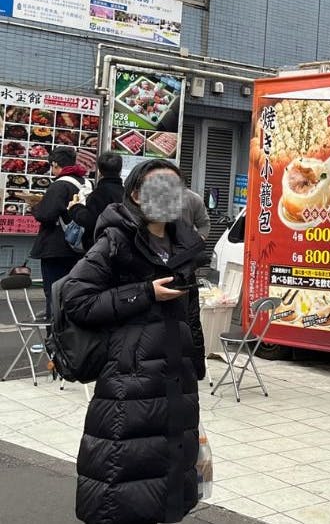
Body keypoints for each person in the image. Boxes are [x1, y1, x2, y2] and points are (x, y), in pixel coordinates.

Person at [61, 159, 206, 524]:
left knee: (168, 482)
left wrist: (197, 366)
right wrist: (144, 293)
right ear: (138, 193)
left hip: (176, 378)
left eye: (175, 187)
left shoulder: (184, 243)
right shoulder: (117, 239)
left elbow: (190, 311)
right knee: (122, 479)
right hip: (130, 377)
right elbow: (76, 299)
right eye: (159, 187)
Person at [29, 147, 90, 320]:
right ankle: (71, 338)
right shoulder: (85, 183)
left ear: (55, 164)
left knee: (54, 294)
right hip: (78, 246)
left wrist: (35, 208)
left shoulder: (60, 185)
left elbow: (46, 215)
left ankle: (54, 341)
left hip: (56, 247)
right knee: (73, 293)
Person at [69, 152, 124, 251]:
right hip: (121, 245)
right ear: (120, 171)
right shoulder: (126, 192)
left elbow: (90, 220)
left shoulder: (100, 193)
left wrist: (75, 207)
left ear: (99, 172)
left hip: (101, 246)